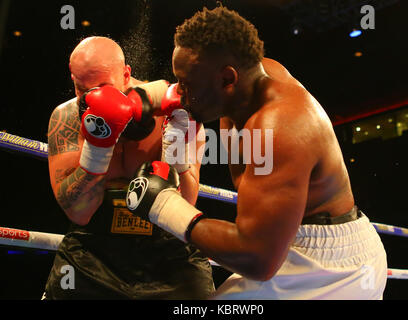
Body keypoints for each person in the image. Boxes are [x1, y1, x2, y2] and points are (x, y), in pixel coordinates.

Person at [125, 6, 388, 300]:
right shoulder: (249, 77)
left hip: (326, 270)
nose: (179, 93)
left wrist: (163, 205)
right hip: (294, 246)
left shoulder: (278, 129)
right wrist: (142, 101)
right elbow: (194, 85)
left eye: (186, 85)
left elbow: (257, 260)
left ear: (227, 80)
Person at [43, 36, 214, 299]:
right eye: (81, 89)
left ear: (126, 74)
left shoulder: (172, 109)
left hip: (168, 251)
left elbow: (188, 200)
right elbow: (78, 213)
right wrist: (98, 149)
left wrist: (174, 147)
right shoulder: (66, 117)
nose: (92, 99)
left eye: (102, 87)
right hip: (93, 250)